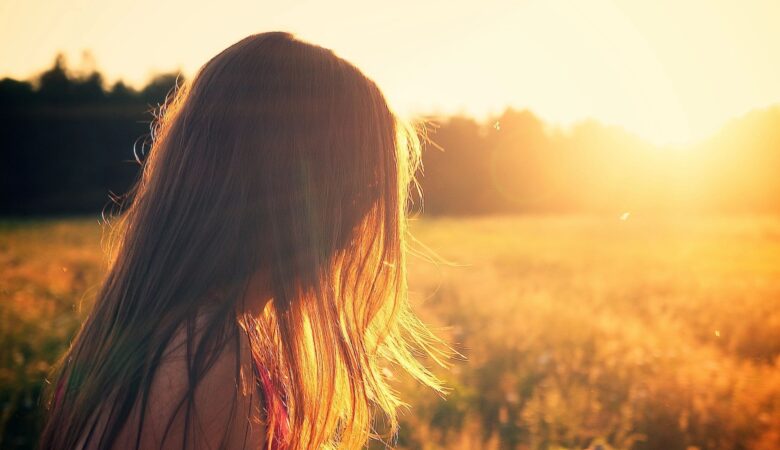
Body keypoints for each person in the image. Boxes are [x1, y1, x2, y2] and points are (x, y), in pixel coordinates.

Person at [40, 31, 448, 450]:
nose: (362, 222)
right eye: (365, 189)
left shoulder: (171, 335)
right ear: (298, 192)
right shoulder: (202, 359)